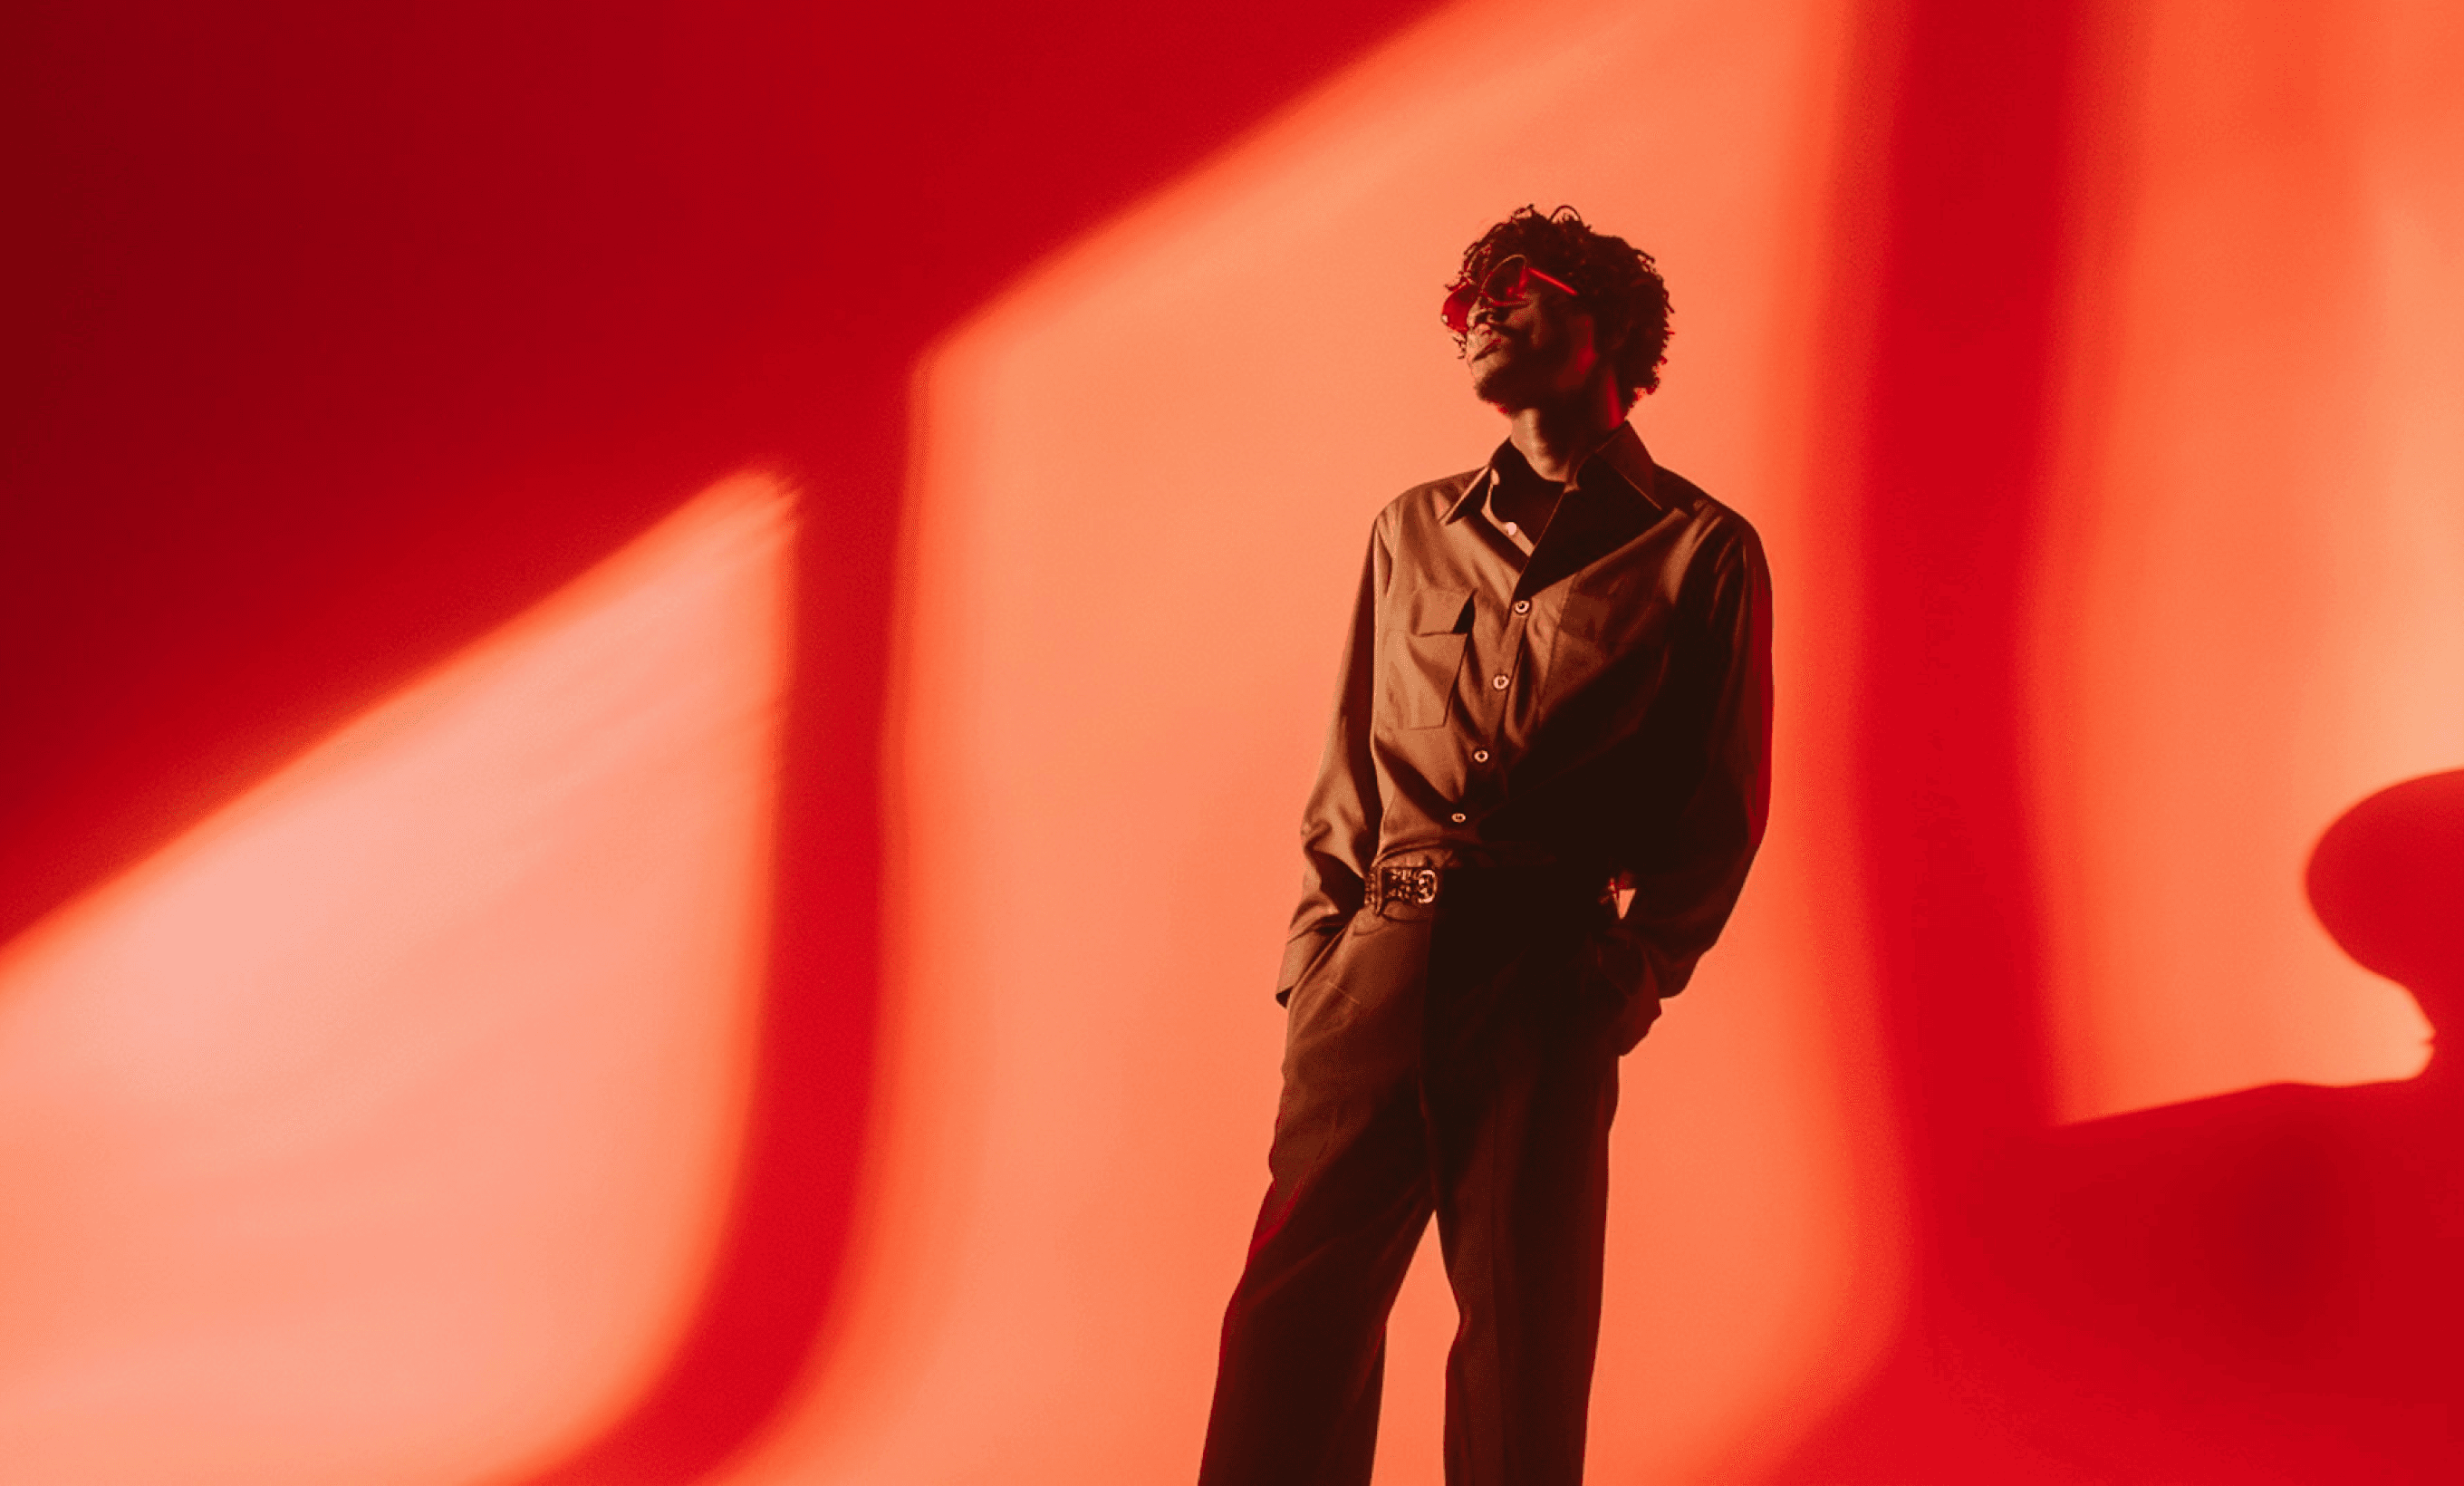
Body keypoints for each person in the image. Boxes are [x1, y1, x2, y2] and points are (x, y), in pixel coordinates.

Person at [1197, 206, 1775, 1486]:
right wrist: (1316, 973)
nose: (1479, 316)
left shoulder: (1700, 548)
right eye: (1463, 303)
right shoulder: (1409, 530)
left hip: (1543, 978)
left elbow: (1718, 799)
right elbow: (1349, 759)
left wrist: (1628, 979)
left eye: (1511, 288)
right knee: (1289, 1330)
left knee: (1522, 1350)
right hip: (1375, 969)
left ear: (1607, 323)